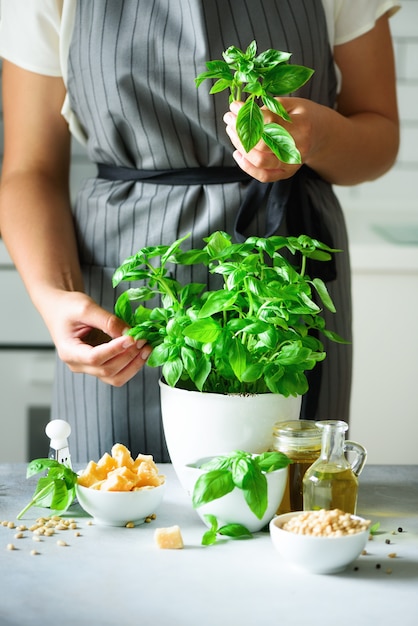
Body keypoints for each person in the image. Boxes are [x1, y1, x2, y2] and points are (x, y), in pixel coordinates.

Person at [0, 0, 400, 463]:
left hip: (285, 270)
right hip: (126, 280)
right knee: (117, 495)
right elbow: (29, 169)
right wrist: (54, 294)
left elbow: (379, 135)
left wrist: (318, 137)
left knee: (292, 503)